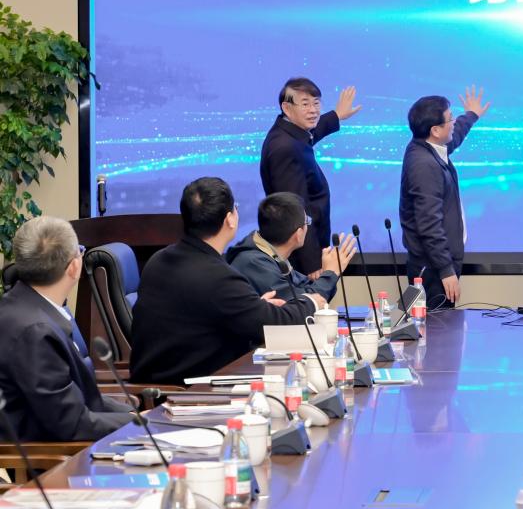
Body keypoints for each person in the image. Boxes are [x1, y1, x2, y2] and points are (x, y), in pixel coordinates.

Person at [129, 177, 325, 386]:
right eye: (235, 208)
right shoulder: (216, 275)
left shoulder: (159, 260)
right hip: (193, 391)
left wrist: (253, 307)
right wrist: (312, 301)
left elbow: (203, 312)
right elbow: (274, 324)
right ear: (230, 219)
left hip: (159, 386)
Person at [0, 216, 133, 441]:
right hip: (48, 455)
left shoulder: (25, 306)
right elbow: (71, 424)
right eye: (80, 251)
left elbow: (78, 397)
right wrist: (140, 423)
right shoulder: (35, 332)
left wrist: (133, 414)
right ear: (74, 267)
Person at [260, 76, 362, 276]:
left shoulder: (288, 133)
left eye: (316, 103)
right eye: (305, 104)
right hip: (300, 261)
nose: (313, 110)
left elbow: (310, 135)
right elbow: (295, 210)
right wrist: (312, 264)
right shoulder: (285, 148)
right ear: (286, 108)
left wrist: (336, 115)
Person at [400, 87, 490, 310]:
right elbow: (429, 223)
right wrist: (445, 270)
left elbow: (454, 137)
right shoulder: (424, 165)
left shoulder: (428, 147)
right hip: (432, 271)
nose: (454, 122)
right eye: (450, 119)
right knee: (436, 328)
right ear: (435, 130)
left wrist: (471, 115)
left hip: (435, 265)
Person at [226, 193, 356, 302]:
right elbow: (301, 304)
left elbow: (304, 289)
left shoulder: (270, 255)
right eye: (306, 221)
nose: (307, 226)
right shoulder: (254, 263)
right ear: (298, 234)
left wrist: (328, 273)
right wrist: (331, 273)